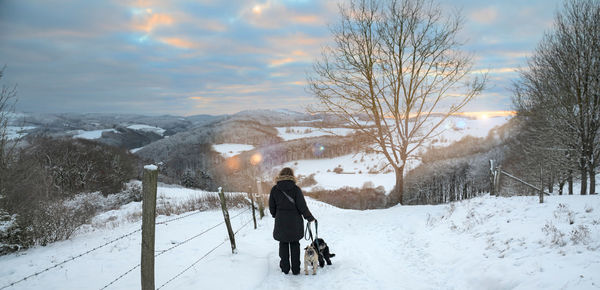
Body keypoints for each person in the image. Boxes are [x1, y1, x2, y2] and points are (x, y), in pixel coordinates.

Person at [269, 167, 315, 275]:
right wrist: (309, 217)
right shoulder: (296, 189)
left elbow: (272, 206)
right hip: (295, 221)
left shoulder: (275, 189)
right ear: (292, 176)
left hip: (281, 220)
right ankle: (296, 269)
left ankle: (285, 269)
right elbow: (302, 206)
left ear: (280, 175)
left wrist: (276, 215)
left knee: (283, 243)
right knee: (295, 244)